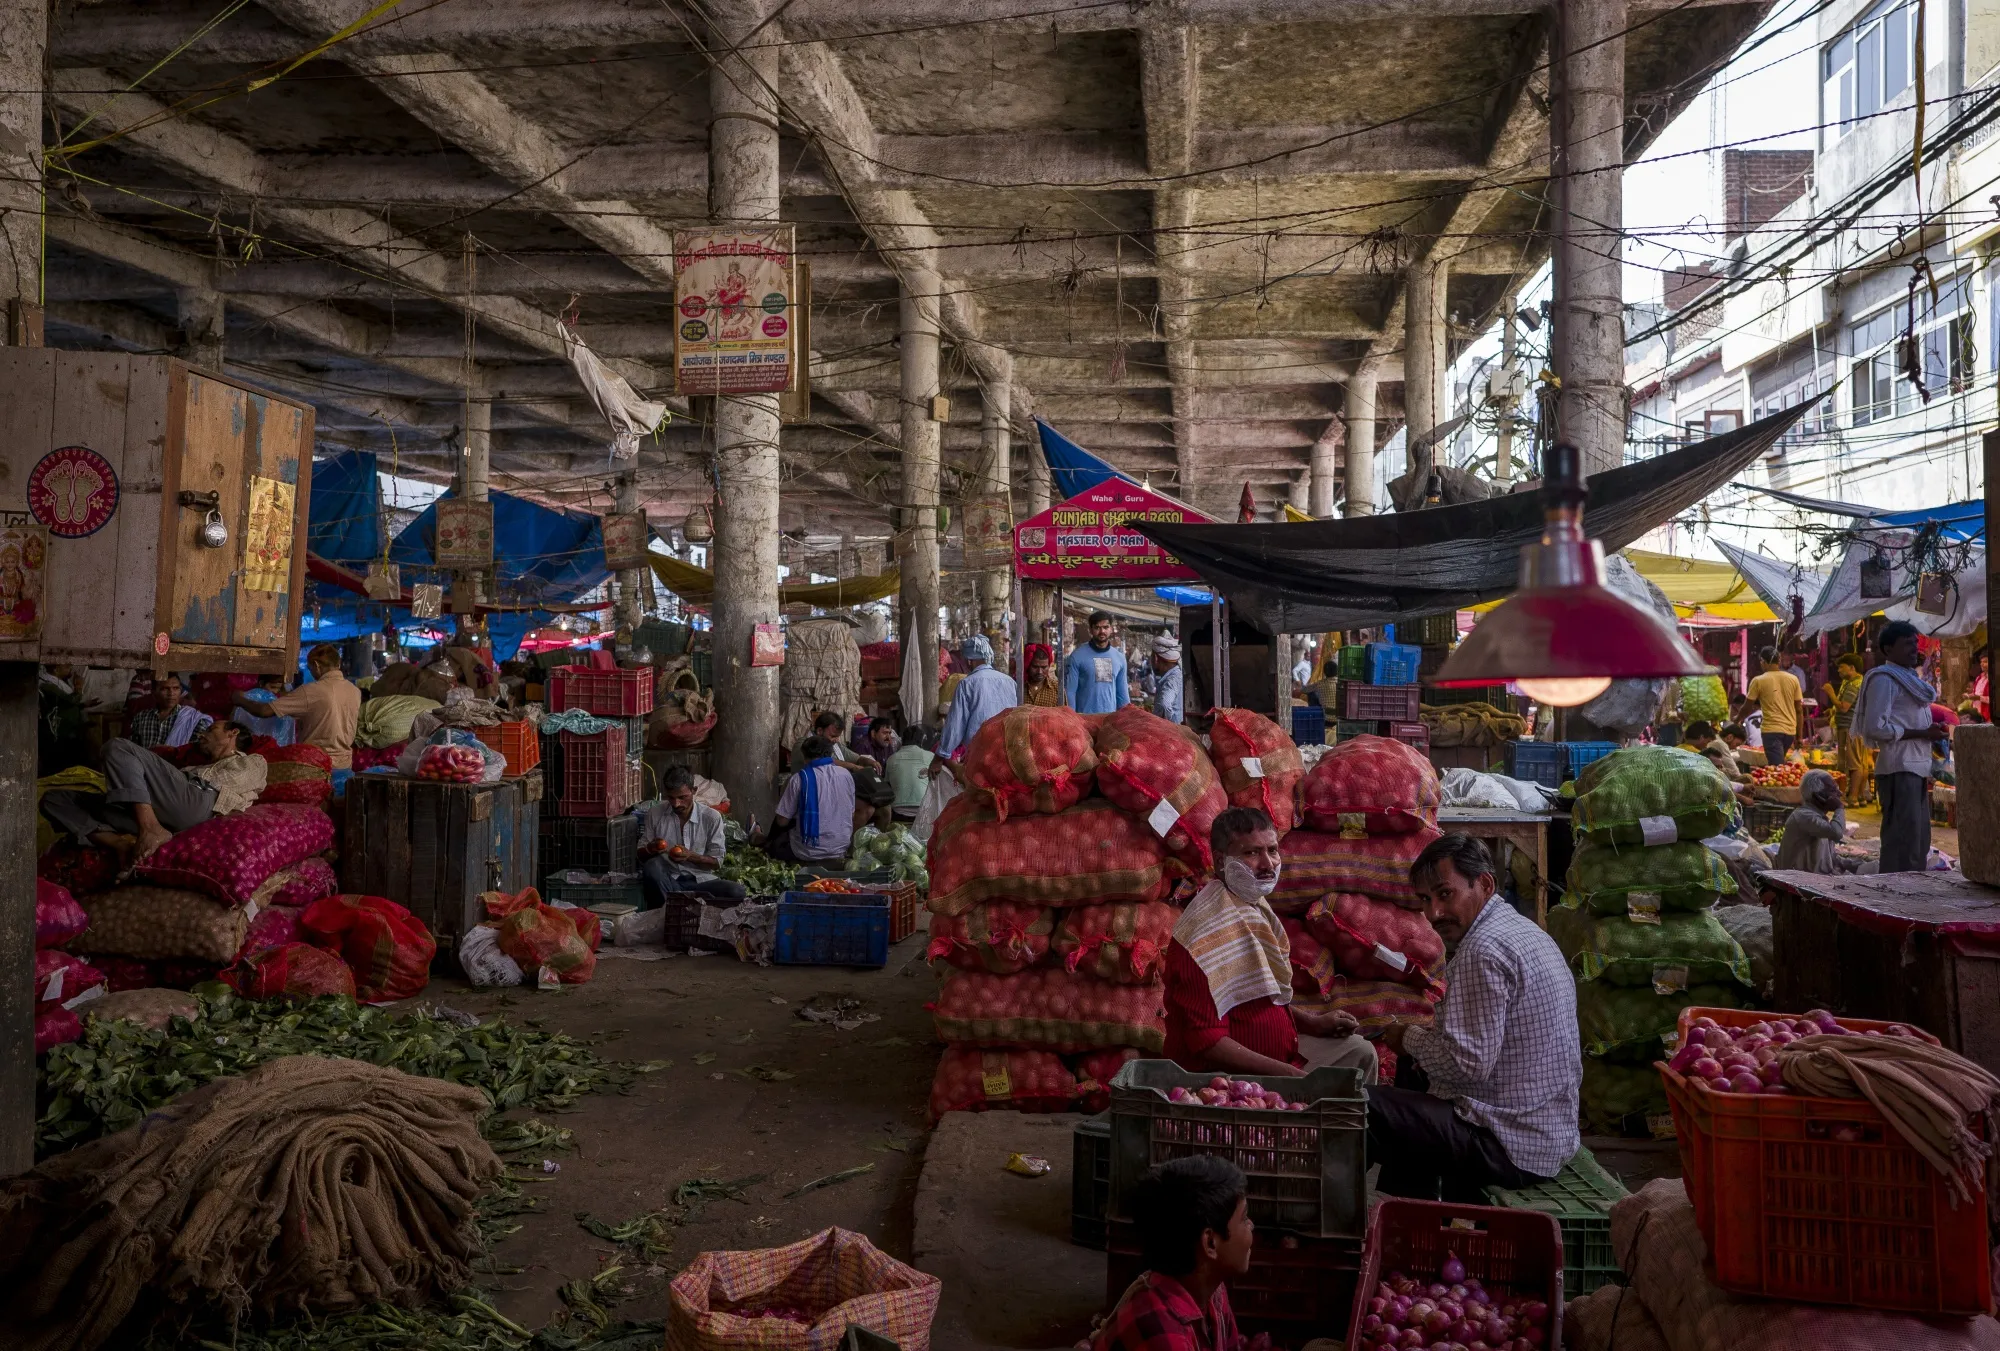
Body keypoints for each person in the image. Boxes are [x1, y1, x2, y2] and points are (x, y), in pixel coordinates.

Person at [1372, 834, 1578, 1200]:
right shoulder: (1524, 931)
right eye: (1426, 899)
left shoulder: (1482, 951)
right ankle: (1414, 1211)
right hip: (1548, 1134)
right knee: (1411, 1072)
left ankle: (1392, 1214)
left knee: (1364, 1106)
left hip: (1510, 1143)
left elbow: (1467, 1064)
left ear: (1484, 884)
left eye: (1445, 894)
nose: (1434, 913)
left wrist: (1408, 1037)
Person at [1163, 807, 1377, 1079]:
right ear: (1220, 861)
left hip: (1282, 1056)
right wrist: (1293, 1078)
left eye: (1272, 850)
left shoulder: (1252, 907)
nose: (1268, 864)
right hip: (1225, 1078)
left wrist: (1313, 1024)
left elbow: (1260, 994)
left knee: (1360, 1052)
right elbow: (1207, 1043)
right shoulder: (1202, 935)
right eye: (1252, 853)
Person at [42, 721, 267, 863]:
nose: (202, 734)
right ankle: (121, 844)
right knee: (55, 799)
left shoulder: (253, 761)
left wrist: (155, 775)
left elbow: (231, 783)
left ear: (232, 733)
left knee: (118, 746)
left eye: (211, 729)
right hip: (163, 812)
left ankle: (150, 828)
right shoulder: (193, 768)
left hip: (200, 801)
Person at [1091, 1155, 1253, 1351]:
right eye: (1244, 1218)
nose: (1251, 1225)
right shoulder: (1163, 1334)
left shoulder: (1213, 1292)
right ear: (1210, 1243)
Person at [1857, 620, 1950, 873]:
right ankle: (1894, 890)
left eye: (1915, 643)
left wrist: (1931, 731)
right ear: (1888, 649)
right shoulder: (1883, 680)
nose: (1914, 649)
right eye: (1907, 644)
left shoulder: (1910, 679)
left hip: (1916, 767)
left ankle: (1912, 889)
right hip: (1899, 768)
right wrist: (1923, 733)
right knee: (1902, 841)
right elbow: (1874, 728)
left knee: (1918, 841)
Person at [234, 643, 361, 769]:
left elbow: (264, 711)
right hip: (345, 764)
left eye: (310, 669)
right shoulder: (354, 691)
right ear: (338, 664)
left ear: (316, 665)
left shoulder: (311, 691)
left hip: (317, 766)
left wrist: (239, 699)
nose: (312, 673)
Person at [639, 767, 748, 905]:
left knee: (737, 891)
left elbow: (717, 862)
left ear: (694, 790)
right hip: (668, 881)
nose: (676, 804)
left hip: (701, 882)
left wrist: (691, 856)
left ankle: (675, 902)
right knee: (652, 866)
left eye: (682, 797)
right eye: (671, 798)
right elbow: (640, 855)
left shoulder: (711, 817)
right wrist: (651, 849)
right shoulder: (655, 813)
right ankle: (674, 907)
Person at [763, 734, 871, 862]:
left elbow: (782, 821)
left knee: (776, 842)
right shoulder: (846, 775)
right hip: (840, 849)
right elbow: (851, 814)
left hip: (806, 852)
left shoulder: (799, 779)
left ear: (804, 757)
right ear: (830, 755)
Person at [936, 634, 1019, 761]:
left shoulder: (967, 684)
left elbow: (955, 726)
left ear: (969, 661)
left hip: (978, 754)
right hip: (1006, 752)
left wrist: (940, 756)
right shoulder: (1010, 682)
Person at [1773, 769, 1847, 874]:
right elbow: (1837, 833)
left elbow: (1829, 859)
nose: (1839, 793)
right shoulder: (1804, 816)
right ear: (1818, 796)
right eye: (1833, 790)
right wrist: (1839, 808)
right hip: (1796, 879)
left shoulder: (1817, 816)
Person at [1825, 653, 1874, 807]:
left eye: (1841, 667)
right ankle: (1860, 796)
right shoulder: (1859, 682)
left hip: (1850, 728)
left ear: (1852, 668)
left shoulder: (1854, 685)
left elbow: (1844, 707)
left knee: (1854, 764)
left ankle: (1852, 797)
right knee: (1861, 763)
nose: (1839, 670)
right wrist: (1832, 710)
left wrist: (1830, 693)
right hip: (1857, 727)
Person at [1745, 647, 1804, 765]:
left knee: (1777, 767)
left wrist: (1736, 719)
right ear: (1779, 660)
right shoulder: (1793, 679)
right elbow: (1799, 710)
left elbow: (1747, 707)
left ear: (1763, 661)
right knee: (1779, 765)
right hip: (1789, 732)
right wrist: (1799, 737)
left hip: (1771, 731)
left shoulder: (1758, 680)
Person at [1065, 611, 1131, 715]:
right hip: (1084, 719)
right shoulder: (1077, 656)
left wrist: (1125, 718)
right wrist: (1072, 718)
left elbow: (1122, 694)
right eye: (1097, 627)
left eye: (1105, 627)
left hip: (1109, 719)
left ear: (1111, 629)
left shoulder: (1119, 658)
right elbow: (1070, 692)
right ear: (1090, 630)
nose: (1102, 631)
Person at [126, 673, 211, 749]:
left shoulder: (193, 719)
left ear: (180, 690)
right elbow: (133, 750)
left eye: (176, 688)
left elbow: (197, 752)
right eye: (165, 689)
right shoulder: (141, 718)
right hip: (144, 762)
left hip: (176, 762)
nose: (171, 693)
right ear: (154, 692)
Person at [885, 725, 936, 823]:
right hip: (923, 810)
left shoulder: (891, 759)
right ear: (922, 741)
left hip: (897, 812)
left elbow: (888, 785)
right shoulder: (930, 756)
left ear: (902, 740)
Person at [1146, 637, 1186, 725]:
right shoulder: (1177, 674)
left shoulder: (1172, 679)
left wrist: (1163, 725)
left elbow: (1164, 705)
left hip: (1171, 730)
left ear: (1156, 658)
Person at [1022, 643, 1064, 708]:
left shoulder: (1057, 689)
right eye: (1035, 667)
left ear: (1049, 666)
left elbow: (1064, 713)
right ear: (1028, 666)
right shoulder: (1018, 688)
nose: (1039, 672)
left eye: (1044, 667)